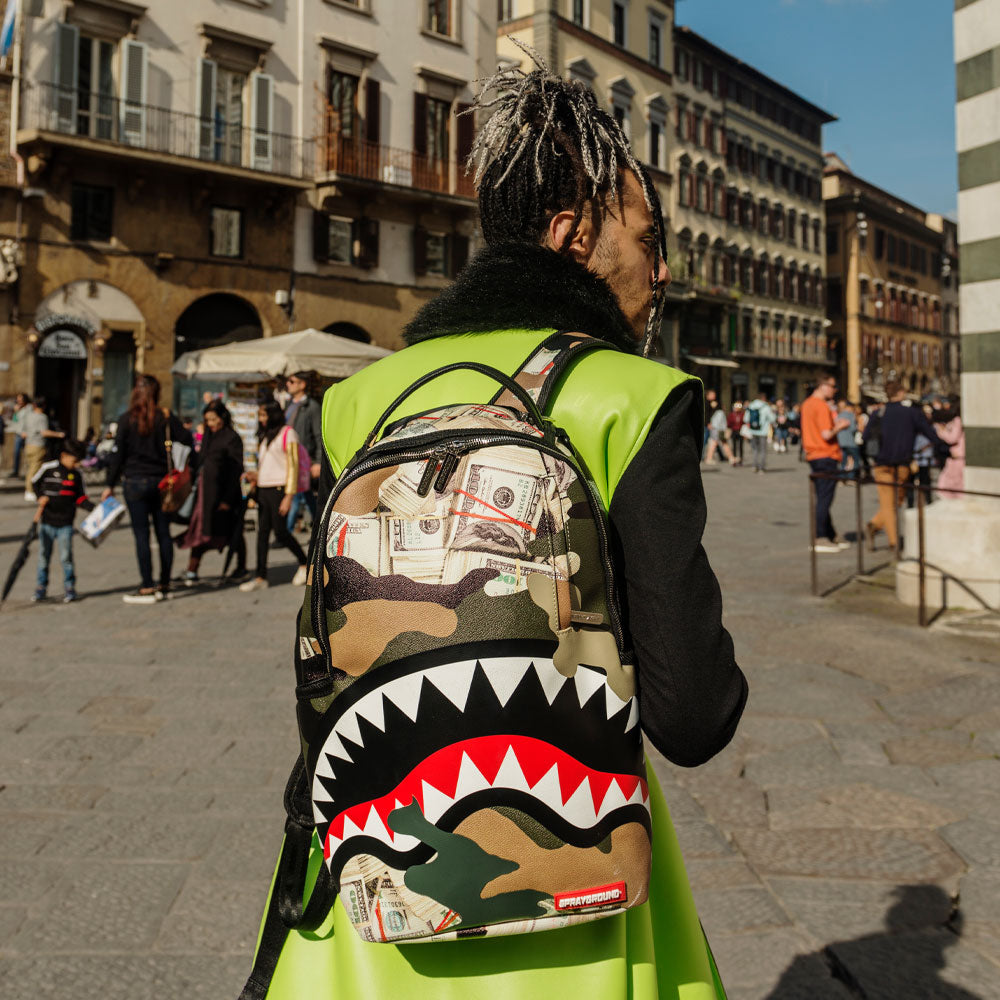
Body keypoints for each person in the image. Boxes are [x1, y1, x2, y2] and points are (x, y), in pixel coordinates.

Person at [244, 54, 745, 1000]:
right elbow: (694, 716)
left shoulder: (357, 402)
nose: (663, 267)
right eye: (646, 237)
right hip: (580, 895)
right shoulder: (636, 397)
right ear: (572, 234)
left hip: (374, 893)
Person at [102, 374, 192, 604]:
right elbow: (188, 439)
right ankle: (164, 582)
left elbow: (118, 456)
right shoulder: (165, 417)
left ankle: (146, 586)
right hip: (162, 482)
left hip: (134, 482)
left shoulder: (126, 419)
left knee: (141, 535)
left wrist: (108, 485)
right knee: (163, 533)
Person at [862, 381, 948, 553]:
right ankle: (894, 543)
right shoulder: (911, 413)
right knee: (892, 502)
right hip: (902, 464)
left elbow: (865, 437)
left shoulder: (878, 413)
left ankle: (874, 525)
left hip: (881, 463)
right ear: (901, 393)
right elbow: (929, 432)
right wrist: (942, 447)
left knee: (893, 502)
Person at [239, 400, 309, 593]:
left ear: (273, 414)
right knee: (262, 534)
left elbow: (293, 467)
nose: (261, 419)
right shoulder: (264, 436)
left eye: (264, 415)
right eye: (259, 416)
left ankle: (305, 563)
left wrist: (289, 495)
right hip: (263, 488)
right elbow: (267, 464)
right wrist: (255, 476)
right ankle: (261, 576)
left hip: (280, 489)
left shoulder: (288, 433)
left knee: (280, 531)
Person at [178, 399, 246, 586]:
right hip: (204, 497)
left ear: (222, 417)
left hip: (224, 496)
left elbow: (235, 470)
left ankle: (241, 567)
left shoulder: (231, 438)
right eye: (207, 420)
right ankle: (192, 570)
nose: (211, 423)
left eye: (214, 419)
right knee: (200, 531)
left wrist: (227, 498)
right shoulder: (208, 436)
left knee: (232, 532)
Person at [31, 438, 94, 604]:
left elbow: (80, 497)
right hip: (47, 522)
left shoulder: (77, 476)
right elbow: (34, 483)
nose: (76, 464)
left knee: (66, 557)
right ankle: (41, 587)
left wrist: (93, 509)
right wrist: (40, 497)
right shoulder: (48, 468)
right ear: (64, 456)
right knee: (43, 557)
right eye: (74, 461)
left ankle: (69, 587)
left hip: (65, 524)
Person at [801, 375, 851, 552]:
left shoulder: (807, 404)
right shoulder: (821, 406)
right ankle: (820, 537)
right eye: (832, 386)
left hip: (813, 455)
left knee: (823, 496)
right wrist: (841, 425)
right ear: (822, 386)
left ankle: (830, 534)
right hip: (826, 454)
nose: (834, 390)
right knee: (824, 498)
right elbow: (826, 434)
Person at [283, 371, 323, 534]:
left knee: (296, 494)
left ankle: (286, 531)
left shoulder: (311, 406)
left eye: (292, 381)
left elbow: (318, 434)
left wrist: (318, 462)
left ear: (302, 385)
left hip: (304, 458)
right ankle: (319, 527)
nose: (288, 384)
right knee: (304, 494)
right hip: (289, 455)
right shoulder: (288, 404)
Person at [21, 396, 64, 501]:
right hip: (38, 445)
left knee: (30, 468)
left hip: (28, 444)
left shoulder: (29, 416)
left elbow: (23, 433)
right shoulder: (42, 417)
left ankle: (29, 489)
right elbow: (44, 432)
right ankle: (30, 490)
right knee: (34, 469)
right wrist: (59, 434)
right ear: (44, 406)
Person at [934, 401, 965, 498]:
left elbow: (952, 438)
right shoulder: (959, 420)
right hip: (957, 455)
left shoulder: (957, 420)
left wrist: (941, 431)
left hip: (957, 456)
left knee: (949, 484)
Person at [745, 390, 775, 474]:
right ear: (764, 398)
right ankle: (761, 468)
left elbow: (746, 419)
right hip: (763, 431)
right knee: (762, 450)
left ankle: (754, 466)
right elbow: (772, 419)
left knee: (755, 449)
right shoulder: (766, 407)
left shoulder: (751, 406)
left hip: (753, 431)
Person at [703, 399, 736, 466]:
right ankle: (730, 457)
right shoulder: (720, 412)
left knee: (715, 444)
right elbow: (719, 423)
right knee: (720, 444)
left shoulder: (715, 412)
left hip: (715, 430)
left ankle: (709, 458)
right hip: (718, 430)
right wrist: (724, 429)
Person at [836, 397, 862, 478]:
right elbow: (853, 429)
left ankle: (842, 477)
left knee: (843, 461)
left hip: (841, 442)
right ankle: (851, 476)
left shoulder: (839, 415)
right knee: (856, 460)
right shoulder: (851, 415)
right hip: (850, 442)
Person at [9, 392, 29, 478]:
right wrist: (16, 412)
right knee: (16, 453)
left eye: (20, 399)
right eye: (18, 399)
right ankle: (16, 471)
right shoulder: (17, 409)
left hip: (26, 434)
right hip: (18, 433)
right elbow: (15, 420)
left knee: (27, 454)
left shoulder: (29, 408)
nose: (19, 401)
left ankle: (27, 472)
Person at [727, 401, 745, 465]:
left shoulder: (742, 414)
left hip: (741, 431)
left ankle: (740, 459)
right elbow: (729, 423)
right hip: (734, 431)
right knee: (734, 446)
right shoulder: (731, 414)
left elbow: (744, 421)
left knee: (740, 446)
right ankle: (734, 459)